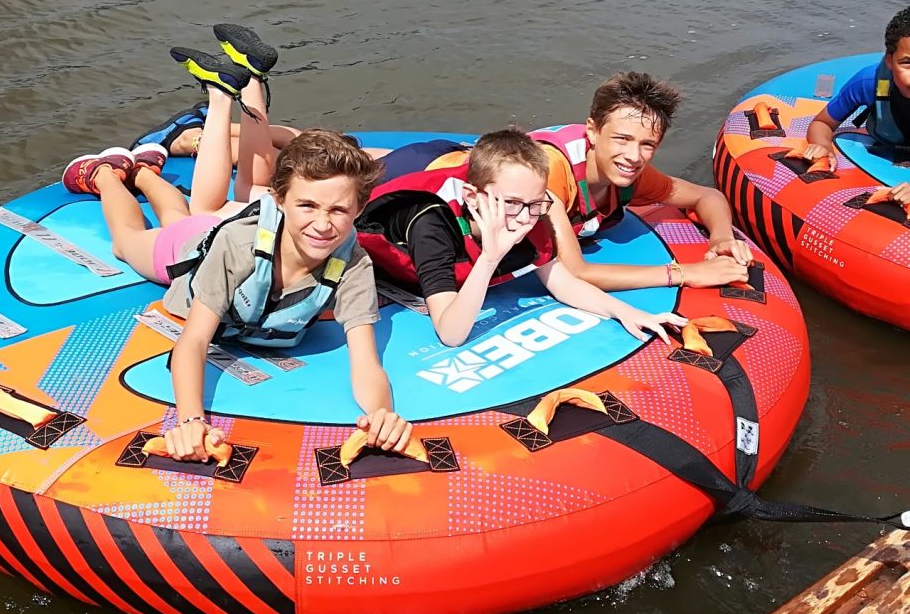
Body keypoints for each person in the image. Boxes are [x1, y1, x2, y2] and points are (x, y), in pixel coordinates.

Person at [60, 24, 412, 461]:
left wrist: (381, 414)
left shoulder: (352, 262)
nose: (323, 225)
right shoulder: (239, 245)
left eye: (338, 210)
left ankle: (145, 171)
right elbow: (193, 342)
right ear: (279, 199)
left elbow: (366, 362)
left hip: (207, 229)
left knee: (178, 214)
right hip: (189, 250)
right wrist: (191, 421)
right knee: (128, 241)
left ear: (357, 210)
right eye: (307, 206)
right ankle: (107, 175)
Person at [393, 73, 753, 291]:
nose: (634, 155)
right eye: (622, 139)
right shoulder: (551, 175)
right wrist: (685, 272)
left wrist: (721, 238)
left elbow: (707, 197)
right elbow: (576, 271)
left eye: (648, 144)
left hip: (466, 153)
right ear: (592, 131)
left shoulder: (632, 174)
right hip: (425, 169)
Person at [357, 127, 688, 347]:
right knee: (357, 166)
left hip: (453, 160)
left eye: (535, 204)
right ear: (473, 198)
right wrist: (490, 259)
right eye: (513, 203)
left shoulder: (530, 211)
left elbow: (562, 282)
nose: (525, 218)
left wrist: (626, 312)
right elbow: (450, 332)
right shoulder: (432, 227)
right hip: (404, 169)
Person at [804, 5, 910, 205]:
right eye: (907, 63)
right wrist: (823, 147)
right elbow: (822, 123)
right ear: (889, 61)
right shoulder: (870, 83)